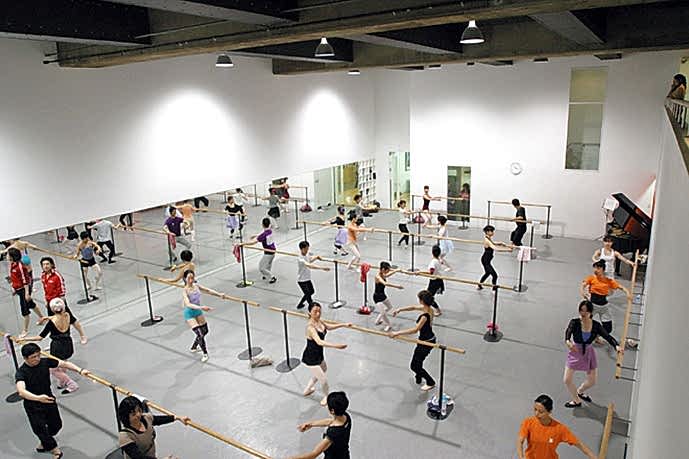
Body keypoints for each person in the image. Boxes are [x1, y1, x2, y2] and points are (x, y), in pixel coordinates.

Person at [15, 342, 89, 459]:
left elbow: (64, 363)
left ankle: (45, 442)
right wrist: (38, 398)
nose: (37, 359)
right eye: (33, 357)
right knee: (39, 428)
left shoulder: (45, 362)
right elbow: (21, 391)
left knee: (56, 425)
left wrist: (80, 370)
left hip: (49, 399)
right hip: (33, 404)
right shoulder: (21, 372)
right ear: (25, 358)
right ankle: (54, 450)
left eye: (38, 355)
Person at [18, 298, 88, 394]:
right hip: (68, 343)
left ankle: (70, 383)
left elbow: (40, 337)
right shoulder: (67, 315)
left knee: (53, 369)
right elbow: (60, 316)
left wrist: (24, 339)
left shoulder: (51, 323)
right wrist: (47, 318)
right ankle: (62, 381)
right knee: (63, 363)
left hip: (57, 346)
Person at [563, 300, 622, 408]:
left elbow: (607, 336)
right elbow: (568, 331)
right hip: (576, 351)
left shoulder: (596, 325)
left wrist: (616, 346)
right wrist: (568, 341)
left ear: (591, 312)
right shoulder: (574, 322)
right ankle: (576, 400)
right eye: (581, 310)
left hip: (588, 353)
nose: (583, 313)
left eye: (585, 311)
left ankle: (580, 391)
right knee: (567, 379)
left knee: (592, 381)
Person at [517, 394, 597, 458]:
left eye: (541, 412)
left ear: (549, 412)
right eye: (535, 409)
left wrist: (593, 457)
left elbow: (579, 444)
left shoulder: (559, 429)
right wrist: (521, 457)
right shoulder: (528, 422)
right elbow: (520, 441)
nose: (536, 414)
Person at [301, 302, 351, 406]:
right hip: (311, 356)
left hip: (319, 353)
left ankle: (307, 390)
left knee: (323, 369)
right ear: (309, 312)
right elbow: (319, 342)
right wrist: (336, 346)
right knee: (323, 380)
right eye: (315, 311)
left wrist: (343, 324)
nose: (318, 314)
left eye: (319, 311)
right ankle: (327, 396)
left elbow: (329, 327)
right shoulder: (310, 328)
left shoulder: (319, 321)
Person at [390, 290, 437, 391]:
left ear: (422, 301)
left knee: (414, 366)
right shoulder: (429, 309)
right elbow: (413, 307)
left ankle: (430, 382)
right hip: (427, 339)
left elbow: (415, 330)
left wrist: (397, 333)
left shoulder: (424, 316)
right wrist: (399, 309)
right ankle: (419, 375)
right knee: (418, 360)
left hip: (426, 342)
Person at [118, 396, 189, 459]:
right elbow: (138, 457)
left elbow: (158, 419)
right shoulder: (125, 436)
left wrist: (177, 418)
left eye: (139, 410)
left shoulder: (146, 418)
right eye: (133, 414)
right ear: (126, 417)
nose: (138, 415)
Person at [288, 391, 352, 459]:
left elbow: (314, 454)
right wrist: (311, 424)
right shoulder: (346, 417)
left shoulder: (334, 433)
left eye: (327, 405)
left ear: (332, 411)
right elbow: (331, 421)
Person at [182, 270, 225, 363]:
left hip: (198, 311)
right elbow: (188, 304)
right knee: (200, 334)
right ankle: (205, 353)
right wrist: (202, 307)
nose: (191, 280)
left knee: (205, 330)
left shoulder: (196, 286)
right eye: (189, 278)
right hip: (190, 313)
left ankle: (194, 347)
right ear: (185, 279)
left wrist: (219, 294)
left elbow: (208, 290)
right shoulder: (185, 291)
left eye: (192, 278)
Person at [581, 260, 631, 338]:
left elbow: (620, 287)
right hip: (593, 305)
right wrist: (583, 292)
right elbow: (583, 285)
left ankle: (596, 336)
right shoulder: (591, 278)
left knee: (608, 328)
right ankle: (583, 338)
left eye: (598, 268)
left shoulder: (608, 281)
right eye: (594, 268)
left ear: (603, 270)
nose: (595, 270)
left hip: (604, 306)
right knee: (585, 322)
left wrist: (627, 293)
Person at [8, 248, 45, 337]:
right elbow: (15, 278)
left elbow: (25, 281)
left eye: (8, 255)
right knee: (31, 304)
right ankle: (42, 317)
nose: (7, 256)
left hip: (24, 290)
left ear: (12, 256)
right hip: (19, 289)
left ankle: (25, 330)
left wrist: (27, 293)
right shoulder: (12, 265)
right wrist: (15, 289)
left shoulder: (20, 266)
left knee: (25, 311)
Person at [297, 241, 330, 310]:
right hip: (301, 280)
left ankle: (300, 304)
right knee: (308, 296)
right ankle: (312, 308)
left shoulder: (306, 254)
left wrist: (316, 257)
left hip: (307, 278)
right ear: (302, 249)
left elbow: (310, 260)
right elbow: (309, 265)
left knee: (311, 292)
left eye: (308, 248)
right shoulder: (300, 258)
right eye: (306, 249)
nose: (307, 250)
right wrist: (322, 268)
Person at [477, 225, 512, 290]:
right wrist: (507, 250)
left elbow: (493, 243)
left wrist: (500, 243)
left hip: (487, 259)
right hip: (485, 261)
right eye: (492, 231)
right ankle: (494, 288)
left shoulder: (488, 238)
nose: (493, 232)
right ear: (487, 232)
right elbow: (495, 248)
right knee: (494, 275)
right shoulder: (487, 240)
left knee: (487, 273)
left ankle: (479, 285)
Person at [373, 261, 404, 332]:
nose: (388, 271)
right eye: (388, 270)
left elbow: (387, 275)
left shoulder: (383, 274)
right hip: (377, 297)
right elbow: (385, 283)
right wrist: (397, 286)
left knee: (389, 307)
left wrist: (396, 270)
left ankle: (377, 320)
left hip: (383, 295)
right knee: (383, 313)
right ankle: (389, 325)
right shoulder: (377, 277)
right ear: (383, 269)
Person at [246, 217, 278, 284]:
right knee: (268, 264)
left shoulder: (264, 234)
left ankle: (272, 277)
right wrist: (256, 236)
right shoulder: (270, 231)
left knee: (261, 268)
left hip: (268, 253)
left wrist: (242, 244)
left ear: (262, 225)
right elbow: (262, 235)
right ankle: (266, 275)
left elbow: (253, 242)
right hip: (273, 251)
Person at [414, 245, 444, 315]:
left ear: (432, 253)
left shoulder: (433, 262)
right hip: (438, 279)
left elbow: (431, 272)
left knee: (428, 297)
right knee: (429, 296)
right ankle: (431, 308)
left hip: (435, 281)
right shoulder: (438, 259)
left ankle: (438, 310)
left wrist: (420, 272)